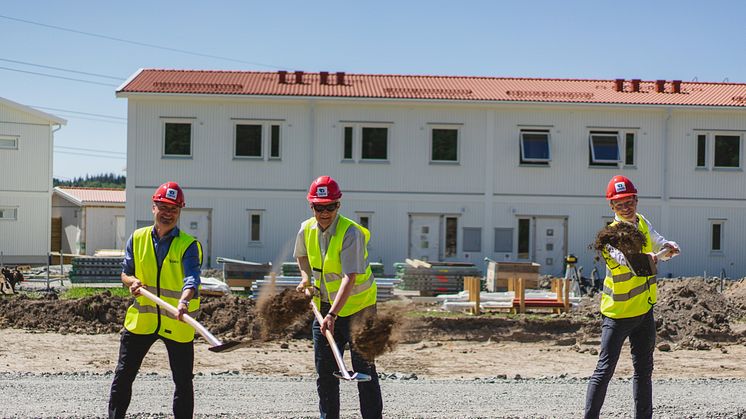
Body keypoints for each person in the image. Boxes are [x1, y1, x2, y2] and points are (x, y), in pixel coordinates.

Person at [585, 175, 680, 419]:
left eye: (630, 201)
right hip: (617, 314)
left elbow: (658, 241)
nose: (626, 207)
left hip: (644, 311)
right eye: (620, 204)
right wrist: (656, 257)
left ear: (636, 200)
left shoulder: (642, 222)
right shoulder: (608, 238)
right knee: (604, 370)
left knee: (644, 371)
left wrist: (668, 246)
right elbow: (631, 263)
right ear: (612, 206)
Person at [108, 182, 202, 419]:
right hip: (143, 320)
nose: (168, 213)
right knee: (123, 374)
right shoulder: (137, 238)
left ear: (180, 211)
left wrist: (183, 302)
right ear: (153, 207)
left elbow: (192, 278)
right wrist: (132, 282)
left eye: (173, 209)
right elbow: (125, 272)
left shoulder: (188, 245)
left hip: (176, 321)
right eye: (163, 207)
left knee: (183, 381)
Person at [294, 175, 383, 419]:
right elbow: (301, 256)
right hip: (324, 308)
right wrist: (306, 279)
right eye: (319, 207)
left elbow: (349, 277)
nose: (324, 213)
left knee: (364, 371)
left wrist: (332, 314)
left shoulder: (350, 233)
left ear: (338, 205)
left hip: (360, 310)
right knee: (325, 373)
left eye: (330, 206)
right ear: (311, 206)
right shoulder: (306, 229)